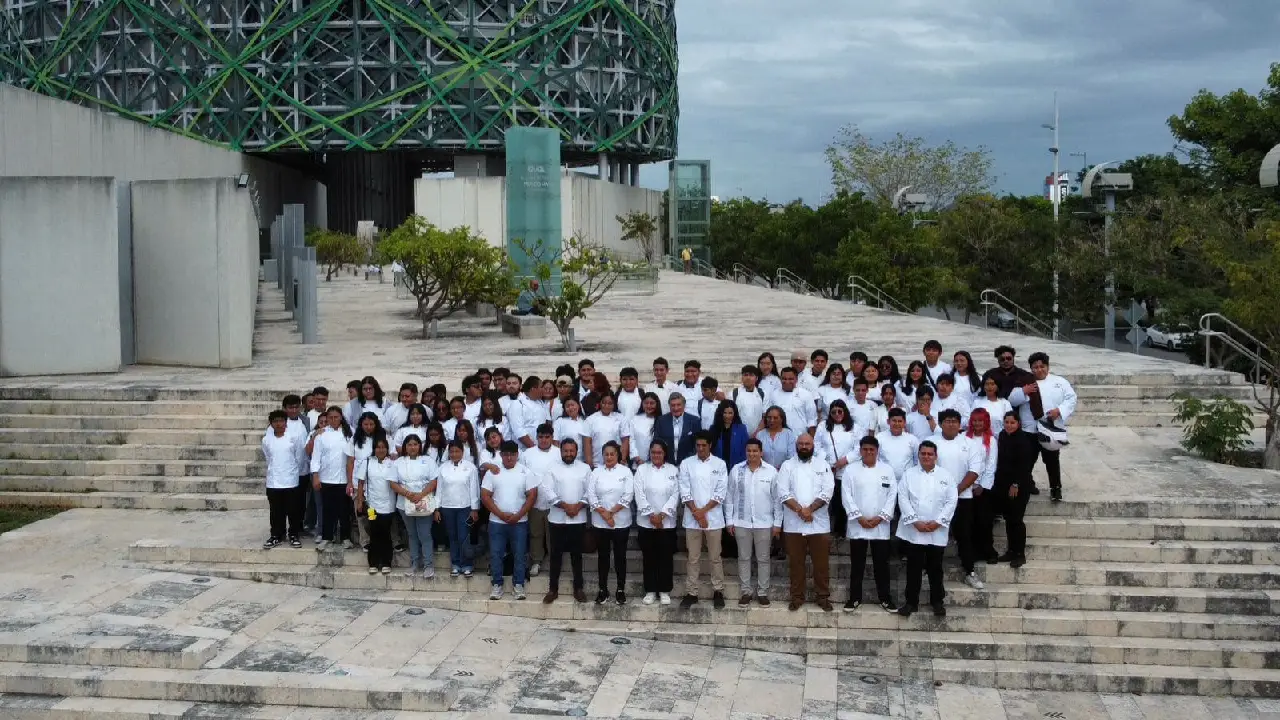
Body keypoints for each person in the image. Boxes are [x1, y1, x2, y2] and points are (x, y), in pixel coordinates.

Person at [896, 441, 957, 618]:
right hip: (914, 531)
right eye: (923, 453)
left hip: (936, 531)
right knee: (913, 568)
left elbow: (951, 501)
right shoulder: (909, 474)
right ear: (919, 455)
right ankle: (911, 602)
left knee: (935, 568)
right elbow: (903, 499)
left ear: (936, 456)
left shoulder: (946, 476)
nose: (926, 457)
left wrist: (938, 522)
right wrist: (915, 522)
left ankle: (937, 602)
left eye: (930, 454)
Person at [1008, 352, 1077, 502]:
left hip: (1051, 429)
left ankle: (1056, 488)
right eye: (1035, 367)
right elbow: (1012, 400)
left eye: (1042, 366)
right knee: (1026, 461)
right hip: (1030, 429)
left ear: (1047, 366)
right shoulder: (1025, 382)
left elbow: (1071, 398)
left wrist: (1059, 411)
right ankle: (1025, 485)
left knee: (1052, 461)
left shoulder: (1060, 382)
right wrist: (1023, 392)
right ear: (1031, 368)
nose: (1039, 370)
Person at [777, 434, 835, 612]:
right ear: (796, 446)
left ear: (813, 446)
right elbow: (783, 492)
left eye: (807, 444)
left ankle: (823, 597)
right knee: (796, 564)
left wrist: (810, 509)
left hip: (819, 524)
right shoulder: (787, 466)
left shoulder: (822, 465)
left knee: (821, 564)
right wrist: (801, 510)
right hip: (794, 524)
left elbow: (828, 491)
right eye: (801, 444)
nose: (804, 446)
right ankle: (796, 597)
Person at [930, 409, 984, 590]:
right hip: (937, 498)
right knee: (934, 534)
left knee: (964, 535)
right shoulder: (932, 443)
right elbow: (927, 468)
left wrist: (956, 490)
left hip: (963, 498)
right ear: (940, 424)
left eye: (954, 421)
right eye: (947, 421)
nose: (951, 424)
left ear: (960, 424)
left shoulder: (970, 444)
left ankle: (969, 571)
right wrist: (944, 493)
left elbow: (974, 471)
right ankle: (928, 568)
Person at [843, 436, 898, 612]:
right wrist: (858, 517)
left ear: (877, 451)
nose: (868, 452)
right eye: (865, 449)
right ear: (860, 450)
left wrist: (880, 517)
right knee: (857, 564)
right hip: (858, 525)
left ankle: (885, 598)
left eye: (871, 450)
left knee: (882, 564)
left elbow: (892, 495)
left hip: (880, 526)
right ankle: (854, 598)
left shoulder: (887, 470)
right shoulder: (851, 470)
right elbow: (846, 495)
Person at [480, 441, 538, 600]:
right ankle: (497, 585)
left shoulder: (525, 472)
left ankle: (518, 585)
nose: (509, 457)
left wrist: (518, 515)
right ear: (501, 455)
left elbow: (532, 495)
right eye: (506, 454)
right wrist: (500, 514)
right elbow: (485, 495)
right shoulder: (493, 471)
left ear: (517, 455)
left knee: (519, 554)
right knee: (496, 554)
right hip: (497, 522)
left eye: (512, 454)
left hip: (519, 522)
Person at [725, 439, 780, 606]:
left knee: (763, 559)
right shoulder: (736, 470)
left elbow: (777, 499)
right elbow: (729, 497)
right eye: (749, 451)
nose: (752, 454)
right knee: (744, 558)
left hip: (764, 523)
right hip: (742, 522)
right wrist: (729, 521)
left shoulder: (771, 472)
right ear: (745, 452)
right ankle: (746, 592)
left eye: (755, 451)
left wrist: (777, 523)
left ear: (761, 452)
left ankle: (763, 592)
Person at [679, 432, 728, 609]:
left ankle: (718, 590)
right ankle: (692, 592)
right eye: (698, 445)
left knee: (715, 557)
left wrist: (703, 512)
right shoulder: (686, 464)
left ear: (710, 445)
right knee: (693, 558)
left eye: (704, 445)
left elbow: (720, 493)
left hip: (713, 519)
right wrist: (697, 513)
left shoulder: (720, 464)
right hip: (692, 519)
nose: (700, 448)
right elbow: (684, 490)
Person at [541, 438, 592, 604]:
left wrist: (577, 507)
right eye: (565, 451)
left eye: (572, 451)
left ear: (576, 452)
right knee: (555, 555)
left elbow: (590, 490)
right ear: (561, 451)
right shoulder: (552, 469)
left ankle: (579, 588)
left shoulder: (584, 468)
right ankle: (552, 589)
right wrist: (565, 506)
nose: (569, 454)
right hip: (557, 519)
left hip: (578, 519)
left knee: (577, 555)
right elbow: (547, 490)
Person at [588, 441, 634, 605]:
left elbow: (628, 494)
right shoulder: (596, 472)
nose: (609, 457)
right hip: (600, 523)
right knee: (603, 557)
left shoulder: (626, 471)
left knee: (620, 557)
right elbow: (591, 495)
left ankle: (620, 589)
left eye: (612, 454)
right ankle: (603, 589)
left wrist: (611, 512)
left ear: (618, 455)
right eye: (606, 454)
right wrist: (605, 515)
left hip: (621, 522)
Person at [635, 440, 680, 605]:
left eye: (659, 452)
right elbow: (639, 494)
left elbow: (676, 494)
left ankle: (664, 590)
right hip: (646, 522)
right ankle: (650, 590)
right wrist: (651, 516)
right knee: (649, 557)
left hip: (666, 523)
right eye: (653, 452)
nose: (656, 455)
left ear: (665, 454)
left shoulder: (673, 470)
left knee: (665, 557)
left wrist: (662, 516)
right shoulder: (641, 470)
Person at [391, 434, 439, 578]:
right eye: (410, 445)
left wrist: (421, 494)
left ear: (420, 446)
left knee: (424, 534)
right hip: (404, 503)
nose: (412, 447)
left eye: (415, 444)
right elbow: (393, 483)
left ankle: (428, 565)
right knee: (412, 534)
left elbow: (434, 481)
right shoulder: (398, 462)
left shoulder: (428, 461)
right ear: (405, 446)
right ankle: (414, 564)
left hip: (424, 501)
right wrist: (408, 494)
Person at [994, 412, 1038, 568]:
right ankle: (1011, 550)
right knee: (1009, 518)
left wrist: (1016, 484)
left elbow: (1024, 466)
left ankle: (1020, 554)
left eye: (1012, 423)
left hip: (1018, 486)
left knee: (1016, 520)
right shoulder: (1002, 436)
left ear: (1018, 423)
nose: (1009, 425)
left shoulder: (1023, 440)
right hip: (1004, 485)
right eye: (1006, 422)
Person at [308, 406, 354, 551]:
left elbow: (352, 457)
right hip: (326, 479)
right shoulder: (321, 435)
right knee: (327, 510)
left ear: (341, 417)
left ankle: (345, 537)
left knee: (344, 510)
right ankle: (327, 536)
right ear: (326, 419)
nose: (333, 420)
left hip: (344, 480)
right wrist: (315, 476)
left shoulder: (349, 433)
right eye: (331, 417)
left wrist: (351, 480)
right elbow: (315, 457)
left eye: (336, 417)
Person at [262, 409, 306, 549]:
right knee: (276, 510)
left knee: (293, 510)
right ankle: (276, 535)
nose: (279, 424)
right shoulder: (266, 439)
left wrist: (292, 472)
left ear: (285, 422)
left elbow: (299, 457)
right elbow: (268, 458)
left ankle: (293, 534)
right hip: (274, 481)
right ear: (271, 424)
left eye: (281, 421)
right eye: (275, 421)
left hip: (291, 479)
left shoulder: (293, 438)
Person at [519, 423, 559, 577]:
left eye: (547, 437)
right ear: (536, 437)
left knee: (553, 534)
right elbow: (522, 475)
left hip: (554, 502)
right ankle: (536, 561)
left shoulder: (558, 453)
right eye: (541, 437)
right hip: (534, 500)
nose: (543, 440)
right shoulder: (527, 454)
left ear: (552, 437)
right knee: (536, 533)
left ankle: (554, 562)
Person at [816, 400, 860, 539]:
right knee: (828, 498)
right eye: (833, 412)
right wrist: (828, 461)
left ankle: (841, 530)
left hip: (847, 468)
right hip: (828, 468)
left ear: (845, 411)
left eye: (840, 411)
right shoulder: (823, 426)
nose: (837, 414)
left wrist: (846, 460)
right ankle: (825, 528)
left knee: (843, 500)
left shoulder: (854, 427)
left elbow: (859, 448)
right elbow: (817, 444)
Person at [436, 441, 479, 577]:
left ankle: (467, 564)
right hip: (447, 507)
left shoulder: (470, 467)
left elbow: (474, 489)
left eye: (457, 451)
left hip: (464, 507)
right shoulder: (443, 468)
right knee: (453, 536)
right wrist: (437, 508)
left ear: (462, 452)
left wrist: (474, 509)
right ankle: (455, 564)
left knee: (463, 536)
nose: (454, 454)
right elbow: (439, 489)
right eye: (452, 452)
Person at [356, 436, 398, 574]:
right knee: (374, 532)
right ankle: (373, 563)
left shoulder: (392, 463)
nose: (381, 450)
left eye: (383, 447)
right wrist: (360, 501)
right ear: (374, 449)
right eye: (378, 447)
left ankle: (386, 562)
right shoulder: (367, 462)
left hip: (388, 505)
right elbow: (361, 483)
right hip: (372, 506)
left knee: (385, 533)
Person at [966, 408, 1000, 565]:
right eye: (975, 420)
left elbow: (990, 465)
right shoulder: (965, 439)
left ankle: (988, 551)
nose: (977, 423)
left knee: (985, 521)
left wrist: (982, 486)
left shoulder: (991, 441)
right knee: (970, 521)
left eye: (980, 420)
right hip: (967, 486)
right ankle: (972, 552)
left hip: (984, 489)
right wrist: (969, 484)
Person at [582, 392, 628, 468]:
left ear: (614, 404)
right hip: (597, 464)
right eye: (604, 403)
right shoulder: (590, 419)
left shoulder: (621, 419)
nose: (606, 406)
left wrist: (622, 459)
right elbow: (587, 443)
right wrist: (589, 463)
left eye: (610, 403)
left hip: (616, 464)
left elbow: (625, 441)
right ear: (600, 403)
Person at [654, 393, 701, 464]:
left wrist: (688, 461)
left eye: (679, 405)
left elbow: (697, 443)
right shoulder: (661, 420)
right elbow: (657, 442)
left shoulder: (694, 420)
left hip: (688, 462)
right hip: (666, 463)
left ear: (684, 405)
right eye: (673, 405)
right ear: (669, 406)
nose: (676, 408)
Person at [875, 408, 920, 481]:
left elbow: (917, 461)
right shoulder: (879, 438)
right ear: (888, 421)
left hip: (907, 481)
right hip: (884, 480)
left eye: (900, 421)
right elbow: (875, 460)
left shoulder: (912, 440)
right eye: (894, 421)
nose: (897, 424)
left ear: (904, 422)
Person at [771, 367, 818, 436]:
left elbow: (812, 420)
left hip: (801, 439)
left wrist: (811, 438)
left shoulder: (806, 394)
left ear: (796, 379)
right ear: (780, 379)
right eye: (784, 379)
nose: (787, 381)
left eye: (790, 379)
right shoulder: (774, 395)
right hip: (779, 437)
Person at [708, 401, 750, 470]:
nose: (727, 416)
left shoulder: (741, 429)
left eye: (730, 413)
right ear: (721, 413)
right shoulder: (713, 429)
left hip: (737, 467)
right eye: (725, 413)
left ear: (734, 414)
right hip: (717, 468)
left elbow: (745, 449)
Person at [626, 393, 662, 469]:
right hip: (638, 464)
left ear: (657, 404)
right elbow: (632, 440)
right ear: (642, 404)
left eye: (652, 403)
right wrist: (637, 459)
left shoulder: (661, 420)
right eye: (646, 403)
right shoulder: (635, 419)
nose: (648, 406)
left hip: (657, 464)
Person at [732, 365, 767, 433]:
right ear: (742, 377)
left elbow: (764, 416)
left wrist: (756, 433)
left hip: (757, 436)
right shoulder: (734, 393)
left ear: (756, 378)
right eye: (745, 375)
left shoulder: (762, 393)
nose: (748, 377)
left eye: (751, 375)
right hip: (738, 434)